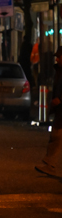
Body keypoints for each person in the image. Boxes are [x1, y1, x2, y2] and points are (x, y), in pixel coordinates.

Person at [35, 46, 62, 177]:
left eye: (59, 57)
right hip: (60, 111)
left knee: (56, 136)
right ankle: (50, 164)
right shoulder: (59, 71)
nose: (57, 59)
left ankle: (50, 164)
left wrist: (60, 99)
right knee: (56, 136)